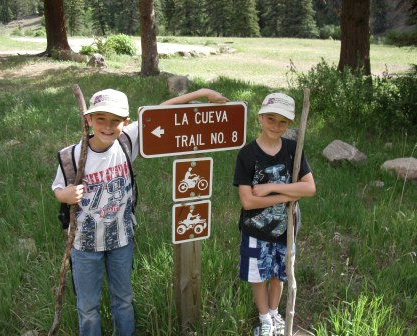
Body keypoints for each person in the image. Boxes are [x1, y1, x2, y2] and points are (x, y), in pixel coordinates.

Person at [51, 87, 228, 335]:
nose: (108, 126)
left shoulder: (126, 141)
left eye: (116, 121)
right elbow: (58, 188)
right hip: (84, 246)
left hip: (122, 241)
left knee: (123, 301)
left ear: (126, 122)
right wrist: (66, 195)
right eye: (101, 119)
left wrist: (202, 92)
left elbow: (159, 110)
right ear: (89, 119)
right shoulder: (72, 156)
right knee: (88, 307)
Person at [233, 93, 316, 336]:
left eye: (282, 122)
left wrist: (271, 188)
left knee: (279, 275)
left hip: (286, 230)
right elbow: (248, 202)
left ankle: (274, 313)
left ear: (289, 124)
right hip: (254, 230)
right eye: (271, 119)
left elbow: (309, 187)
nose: (276, 126)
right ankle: (264, 319)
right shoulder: (247, 154)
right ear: (260, 117)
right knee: (258, 276)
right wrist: (290, 195)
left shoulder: (293, 151)